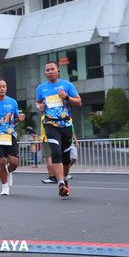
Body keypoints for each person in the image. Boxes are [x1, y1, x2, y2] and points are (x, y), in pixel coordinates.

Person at [36, 61, 82, 197]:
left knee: (66, 158)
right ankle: (60, 183)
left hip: (66, 124)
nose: (50, 72)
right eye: (47, 70)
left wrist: (66, 97)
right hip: (50, 124)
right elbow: (38, 102)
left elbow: (79, 102)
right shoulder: (41, 88)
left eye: (52, 69)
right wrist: (39, 106)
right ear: (45, 73)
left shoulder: (67, 85)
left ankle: (65, 179)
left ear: (58, 71)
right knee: (55, 152)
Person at [0, 78, 25, 196]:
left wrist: (19, 119)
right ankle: (4, 186)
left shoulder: (12, 102)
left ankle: (8, 170)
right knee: (1, 161)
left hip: (10, 135)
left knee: (14, 163)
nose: (2, 88)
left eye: (4, 86)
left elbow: (15, 119)